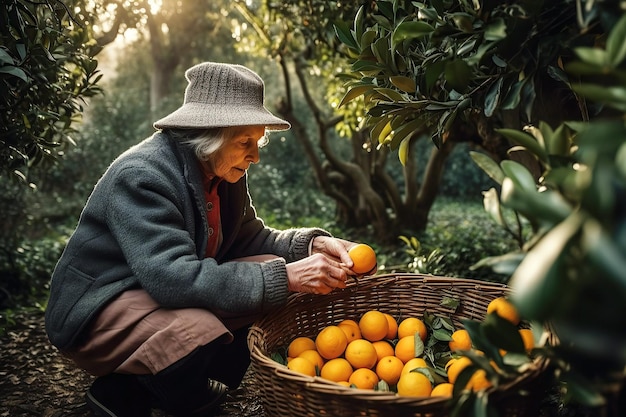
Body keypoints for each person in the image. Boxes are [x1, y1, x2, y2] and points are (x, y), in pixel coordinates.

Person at [44, 62, 367, 417]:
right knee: (199, 329)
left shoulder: (220, 170)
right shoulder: (141, 176)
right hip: (97, 310)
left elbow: (250, 239)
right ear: (209, 134)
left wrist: (311, 245)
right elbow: (173, 278)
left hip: (149, 292)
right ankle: (125, 393)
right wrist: (288, 277)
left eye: (257, 141)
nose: (255, 155)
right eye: (245, 142)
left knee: (272, 274)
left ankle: (152, 384)